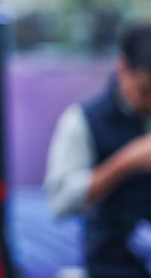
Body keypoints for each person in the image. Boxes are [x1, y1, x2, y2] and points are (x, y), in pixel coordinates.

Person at [45, 23, 151, 277]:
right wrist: (127, 161)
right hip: (113, 264)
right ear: (123, 68)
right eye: (145, 91)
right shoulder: (83, 120)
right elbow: (60, 202)